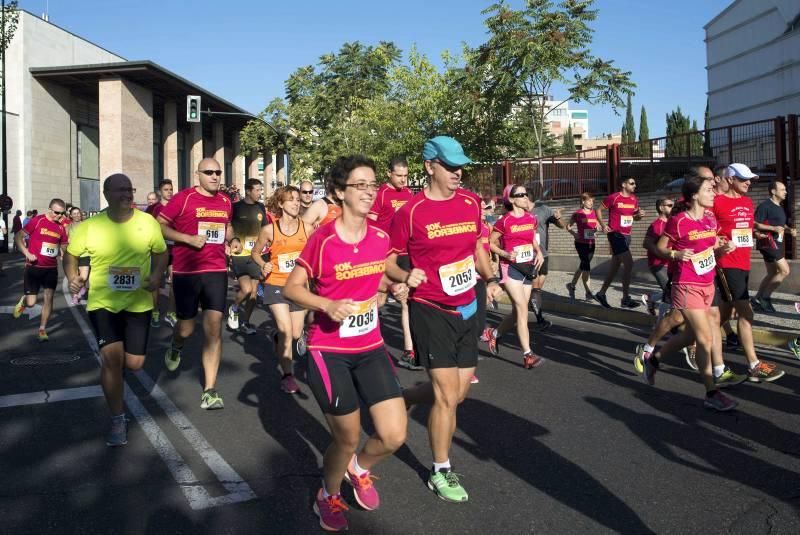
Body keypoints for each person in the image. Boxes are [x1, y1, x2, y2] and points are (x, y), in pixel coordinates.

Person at [283, 155, 412, 532]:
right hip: (330, 351)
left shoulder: (379, 237)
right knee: (347, 436)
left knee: (393, 434)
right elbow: (292, 288)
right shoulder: (322, 240)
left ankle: (360, 468)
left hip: (370, 346)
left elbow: (376, 277)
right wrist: (326, 304)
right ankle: (328, 492)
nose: (370, 192)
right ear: (339, 192)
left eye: (373, 185)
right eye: (361, 185)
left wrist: (394, 285)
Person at [389, 136, 501, 503]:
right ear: (429, 166)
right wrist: (404, 278)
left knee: (460, 392)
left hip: (468, 306)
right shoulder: (410, 212)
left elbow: (477, 246)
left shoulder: (470, 203)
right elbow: (389, 259)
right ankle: (441, 470)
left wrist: (492, 279)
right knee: (447, 397)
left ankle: (404, 396)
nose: (458, 172)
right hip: (430, 309)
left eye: (460, 166)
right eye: (450, 166)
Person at [64, 173, 168, 446]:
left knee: (134, 363)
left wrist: (157, 276)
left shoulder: (147, 223)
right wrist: (72, 276)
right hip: (103, 304)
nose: (127, 194)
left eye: (129, 189)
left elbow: (161, 253)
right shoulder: (89, 226)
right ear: (107, 193)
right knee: (111, 360)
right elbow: (70, 255)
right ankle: (117, 418)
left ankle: (117, 374)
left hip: (138, 304)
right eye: (120, 189)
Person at [643, 172, 738, 411]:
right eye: (708, 190)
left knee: (692, 336)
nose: (713, 194)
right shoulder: (679, 221)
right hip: (686, 285)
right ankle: (711, 393)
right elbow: (660, 248)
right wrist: (675, 254)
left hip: (708, 283)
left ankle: (655, 358)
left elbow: (712, 250)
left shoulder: (709, 220)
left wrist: (723, 249)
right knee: (705, 338)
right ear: (694, 195)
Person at [158, 158, 233, 410]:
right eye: (209, 172)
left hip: (216, 270)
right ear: (197, 174)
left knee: (214, 329)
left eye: (218, 172)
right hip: (186, 271)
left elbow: (227, 226)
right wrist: (187, 238)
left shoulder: (224, 201)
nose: (214, 176)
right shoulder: (184, 198)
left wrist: (231, 240)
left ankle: (210, 390)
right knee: (187, 329)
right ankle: (176, 345)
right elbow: (161, 226)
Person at [713, 163, 784, 382]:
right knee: (746, 313)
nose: (748, 182)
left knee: (721, 316)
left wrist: (756, 236)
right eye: (744, 178)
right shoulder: (716, 202)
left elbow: (742, 229)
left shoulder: (746, 201)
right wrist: (718, 242)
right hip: (726, 264)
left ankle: (699, 344)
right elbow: (709, 230)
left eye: (750, 178)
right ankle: (754, 365)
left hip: (744, 263)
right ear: (730, 179)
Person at [251, 185, 310, 394]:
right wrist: (262, 264)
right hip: (275, 284)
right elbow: (255, 252)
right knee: (286, 330)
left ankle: (277, 337)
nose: (296, 202)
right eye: (291, 199)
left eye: (297, 199)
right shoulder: (269, 230)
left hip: (298, 286)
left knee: (294, 334)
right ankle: (288, 376)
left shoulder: (307, 228)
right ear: (281, 204)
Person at [368, 156, 419, 370]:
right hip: (382, 254)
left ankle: (410, 351)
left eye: (406, 176)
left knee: (406, 299)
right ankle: (367, 344)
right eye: (399, 175)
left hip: (404, 252)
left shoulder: (409, 194)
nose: (403, 180)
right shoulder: (380, 194)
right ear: (389, 173)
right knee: (377, 301)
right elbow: (369, 224)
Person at [486, 184, 545, 367]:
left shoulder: (531, 218)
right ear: (512, 200)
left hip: (527, 267)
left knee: (519, 311)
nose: (525, 197)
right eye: (520, 195)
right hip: (510, 268)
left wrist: (539, 252)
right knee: (521, 309)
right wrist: (504, 254)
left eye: (526, 193)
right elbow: (490, 242)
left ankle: (494, 334)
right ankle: (528, 354)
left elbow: (532, 238)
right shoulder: (504, 221)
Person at [13, 198, 69, 341]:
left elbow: (63, 247)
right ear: (50, 210)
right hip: (33, 267)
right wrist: (27, 253)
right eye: (57, 213)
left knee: (48, 298)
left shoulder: (61, 227)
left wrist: (64, 253)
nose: (60, 216)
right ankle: (24, 302)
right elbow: (18, 236)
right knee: (31, 303)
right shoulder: (37, 220)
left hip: (51, 269)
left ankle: (42, 329)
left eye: (62, 213)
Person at [594, 177, 645, 308]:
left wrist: (639, 215)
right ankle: (625, 298)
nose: (635, 185)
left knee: (614, 267)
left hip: (627, 235)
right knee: (629, 263)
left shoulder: (634, 199)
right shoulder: (614, 197)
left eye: (635, 183)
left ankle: (601, 293)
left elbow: (634, 217)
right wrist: (603, 225)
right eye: (632, 183)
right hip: (615, 234)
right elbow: (598, 210)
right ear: (623, 184)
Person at [228, 178, 269, 335]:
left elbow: (265, 228)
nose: (260, 193)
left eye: (261, 190)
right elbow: (228, 226)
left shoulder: (260, 207)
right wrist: (230, 243)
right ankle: (235, 307)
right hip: (239, 254)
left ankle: (245, 322)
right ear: (248, 191)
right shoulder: (236, 207)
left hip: (256, 255)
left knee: (253, 293)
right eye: (257, 190)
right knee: (245, 289)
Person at [752, 180, 796, 312]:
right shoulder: (765, 206)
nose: (786, 192)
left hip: (777, 243)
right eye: (782, 189)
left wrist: (789, 229)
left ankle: (756, 298)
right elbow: (755, 223)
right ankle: (765, 298)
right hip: (768, 243)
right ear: (773, 191)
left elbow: (780, 225)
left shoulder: (779, 207)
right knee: (785, 270)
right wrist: (773, 228)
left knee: (771, 273)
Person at [528, 196, 566, 328]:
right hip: (529, 255)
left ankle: (531, 302)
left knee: (538, 286)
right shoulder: (519, 211)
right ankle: (540, 320)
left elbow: (562, 226)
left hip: (543, 253)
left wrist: (558, 217)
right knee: (536, 287)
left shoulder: (543, 209)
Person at [146, 179, 178, 327]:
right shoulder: (153, 208)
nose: (169, 192)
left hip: (174, 250)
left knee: (175, 281)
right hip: (157, 251)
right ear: (160, 192)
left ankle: (171, 313)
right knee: (156, 282)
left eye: (171, 189)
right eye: (166, 189)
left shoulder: (177, 207)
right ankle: (155, 311)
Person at [641, 197, 674, 316]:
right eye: (669, 205)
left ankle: (651, 299)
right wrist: (661, 252)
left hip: (671, 263)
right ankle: (662, 323)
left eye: (673, 205)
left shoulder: (672, 223)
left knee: (674, 290)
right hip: (658, 264)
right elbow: (646, 243)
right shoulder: (657, 225)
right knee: (671, 292)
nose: (673, 207)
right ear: (661, 208)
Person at [566, 193, 599, 301]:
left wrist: (597, 229)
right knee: (586, 267)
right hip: (580, 243)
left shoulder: (594, 213)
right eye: (589, 201)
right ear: (583, 201)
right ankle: (588, 292)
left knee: (583, 265)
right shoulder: (577, 214)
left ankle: (571, 285)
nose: (591, 203)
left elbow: (596, 225)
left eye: (592, 201)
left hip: (591, 243)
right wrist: (574, 234)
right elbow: (568, 226)